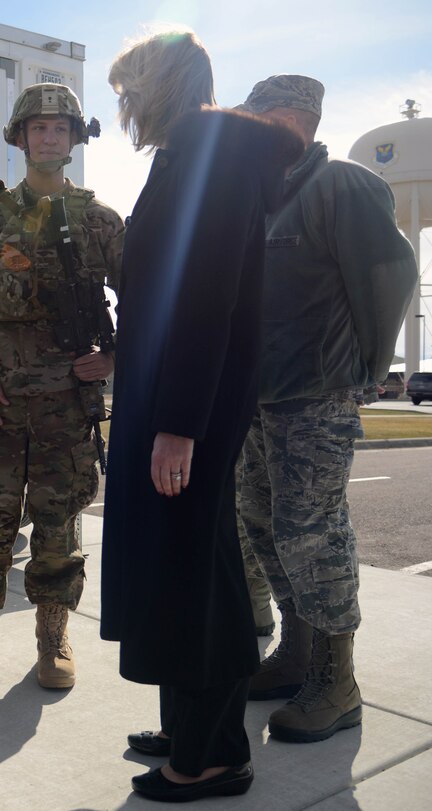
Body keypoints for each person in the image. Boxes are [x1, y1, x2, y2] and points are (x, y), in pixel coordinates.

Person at [99, 31, 304, 802]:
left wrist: (180, 420)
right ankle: (188, 723)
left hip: (192, 403)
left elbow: (208, 296)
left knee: (199, 570)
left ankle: (217, 751)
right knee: (173, 567)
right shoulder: (188, 154)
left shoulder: (214, 158)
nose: (122, 108)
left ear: (160, 86)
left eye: (128, 91)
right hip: (166, 393)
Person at [0, 83, 124, 690]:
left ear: (74, 139)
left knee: (58, 522)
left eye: (60, 128)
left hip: (66, 406)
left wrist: (116, 355)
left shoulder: (99, 221)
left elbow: (148, 294)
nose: (48, 137)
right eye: (37, 128)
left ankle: (52, 635)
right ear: (19, 138)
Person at [236, 75, 418, 742]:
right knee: (262, 521)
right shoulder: (261, 196)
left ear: (292, 119)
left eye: (261, 119)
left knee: (314, 534)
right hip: (259, 400)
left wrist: (365, 371)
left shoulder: (340, 185)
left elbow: (388, 277)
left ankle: (337, 683)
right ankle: (296, 652)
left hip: (316, 396)